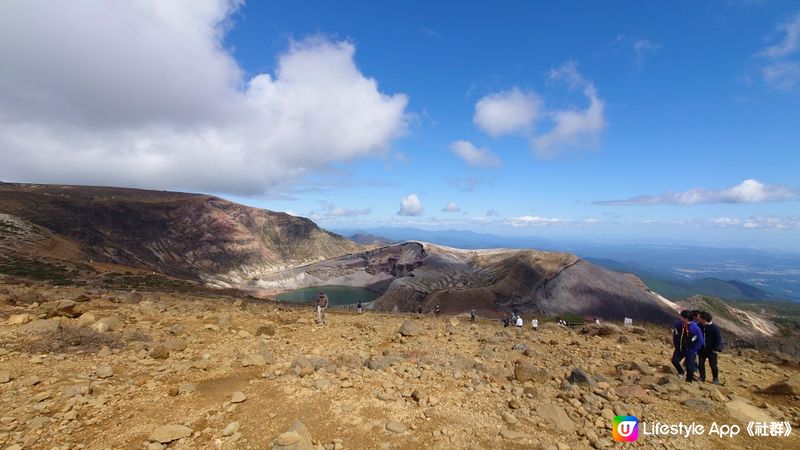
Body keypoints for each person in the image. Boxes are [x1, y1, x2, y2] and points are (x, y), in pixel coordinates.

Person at [671, 310, 704, 382]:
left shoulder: (695, 328)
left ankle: (688, 381)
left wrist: (694, 349)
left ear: (686, 318)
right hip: (679, 348)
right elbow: (675, 334)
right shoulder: (678, 324)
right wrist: (676, 343)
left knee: (690, 368)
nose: (680, 318)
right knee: (674, 361)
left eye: (682, 317)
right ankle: (681, 372)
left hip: (690, 350)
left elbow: (700, 340)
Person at [698, 311, 723, 384]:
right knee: (701, 364)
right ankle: (702, 378)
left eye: (700, 318)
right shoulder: (699, 325)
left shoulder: (714, 328)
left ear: (704, 319)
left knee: (713, 365)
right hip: (702, 349)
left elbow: (718, 339)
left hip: (711, 350)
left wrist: (716, 349)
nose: (699, 319)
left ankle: (715, 378)